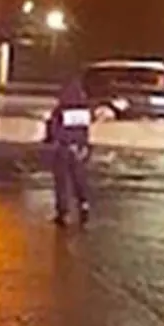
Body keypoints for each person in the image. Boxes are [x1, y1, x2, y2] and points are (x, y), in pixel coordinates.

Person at [46, 78, 94, 226]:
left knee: (62, 181)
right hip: (78, 149)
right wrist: (84, 145)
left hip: (63, 148)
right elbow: (86, 130)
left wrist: (51, 138)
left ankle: (63, 212)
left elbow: (54, 130)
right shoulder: (84, 111)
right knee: (79, 180)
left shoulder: (61, 110)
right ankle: (84, 206)